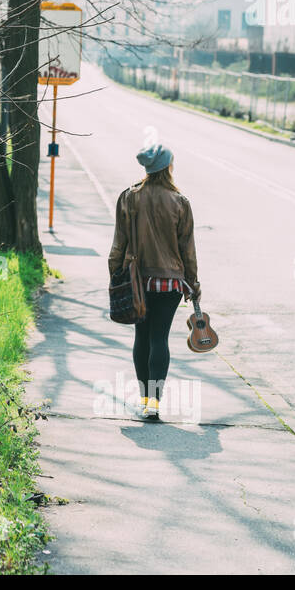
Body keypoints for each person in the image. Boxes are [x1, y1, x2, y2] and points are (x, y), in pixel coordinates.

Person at [107, 143, 200, 420]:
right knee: (160, 338)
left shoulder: (129, 197)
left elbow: (118, 243)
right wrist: (193, 283)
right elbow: (188, 249)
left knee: (142, 338)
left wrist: (115, 275)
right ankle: (155, 404)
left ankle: (145, 399)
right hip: (170, 284)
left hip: (138, 281)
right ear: (167, 167)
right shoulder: (180, 202)